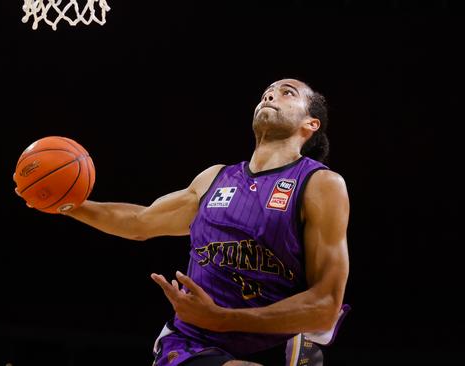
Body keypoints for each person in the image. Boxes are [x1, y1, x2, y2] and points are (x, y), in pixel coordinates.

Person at [52, 78, 350, 365]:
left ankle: (297, 345)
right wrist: (66, 205)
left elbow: (325, 306)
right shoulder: (215, 179)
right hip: (192, 342)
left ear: (310, 124)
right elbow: (139, 222)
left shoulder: (319, 184)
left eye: (287, 93)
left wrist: (223, 319)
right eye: (267, 92)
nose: (270, 96)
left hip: (270, 342)